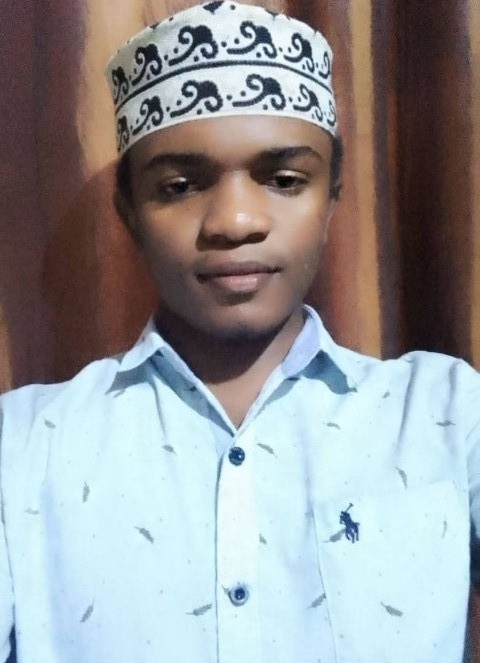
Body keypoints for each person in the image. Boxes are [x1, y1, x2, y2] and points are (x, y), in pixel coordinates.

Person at [0, 2, 479, 661]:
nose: (234, 221)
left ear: (332, 195)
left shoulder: (444, 414)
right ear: (129, 212)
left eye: (284, 179)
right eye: (179, 186)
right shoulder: (24, 447)